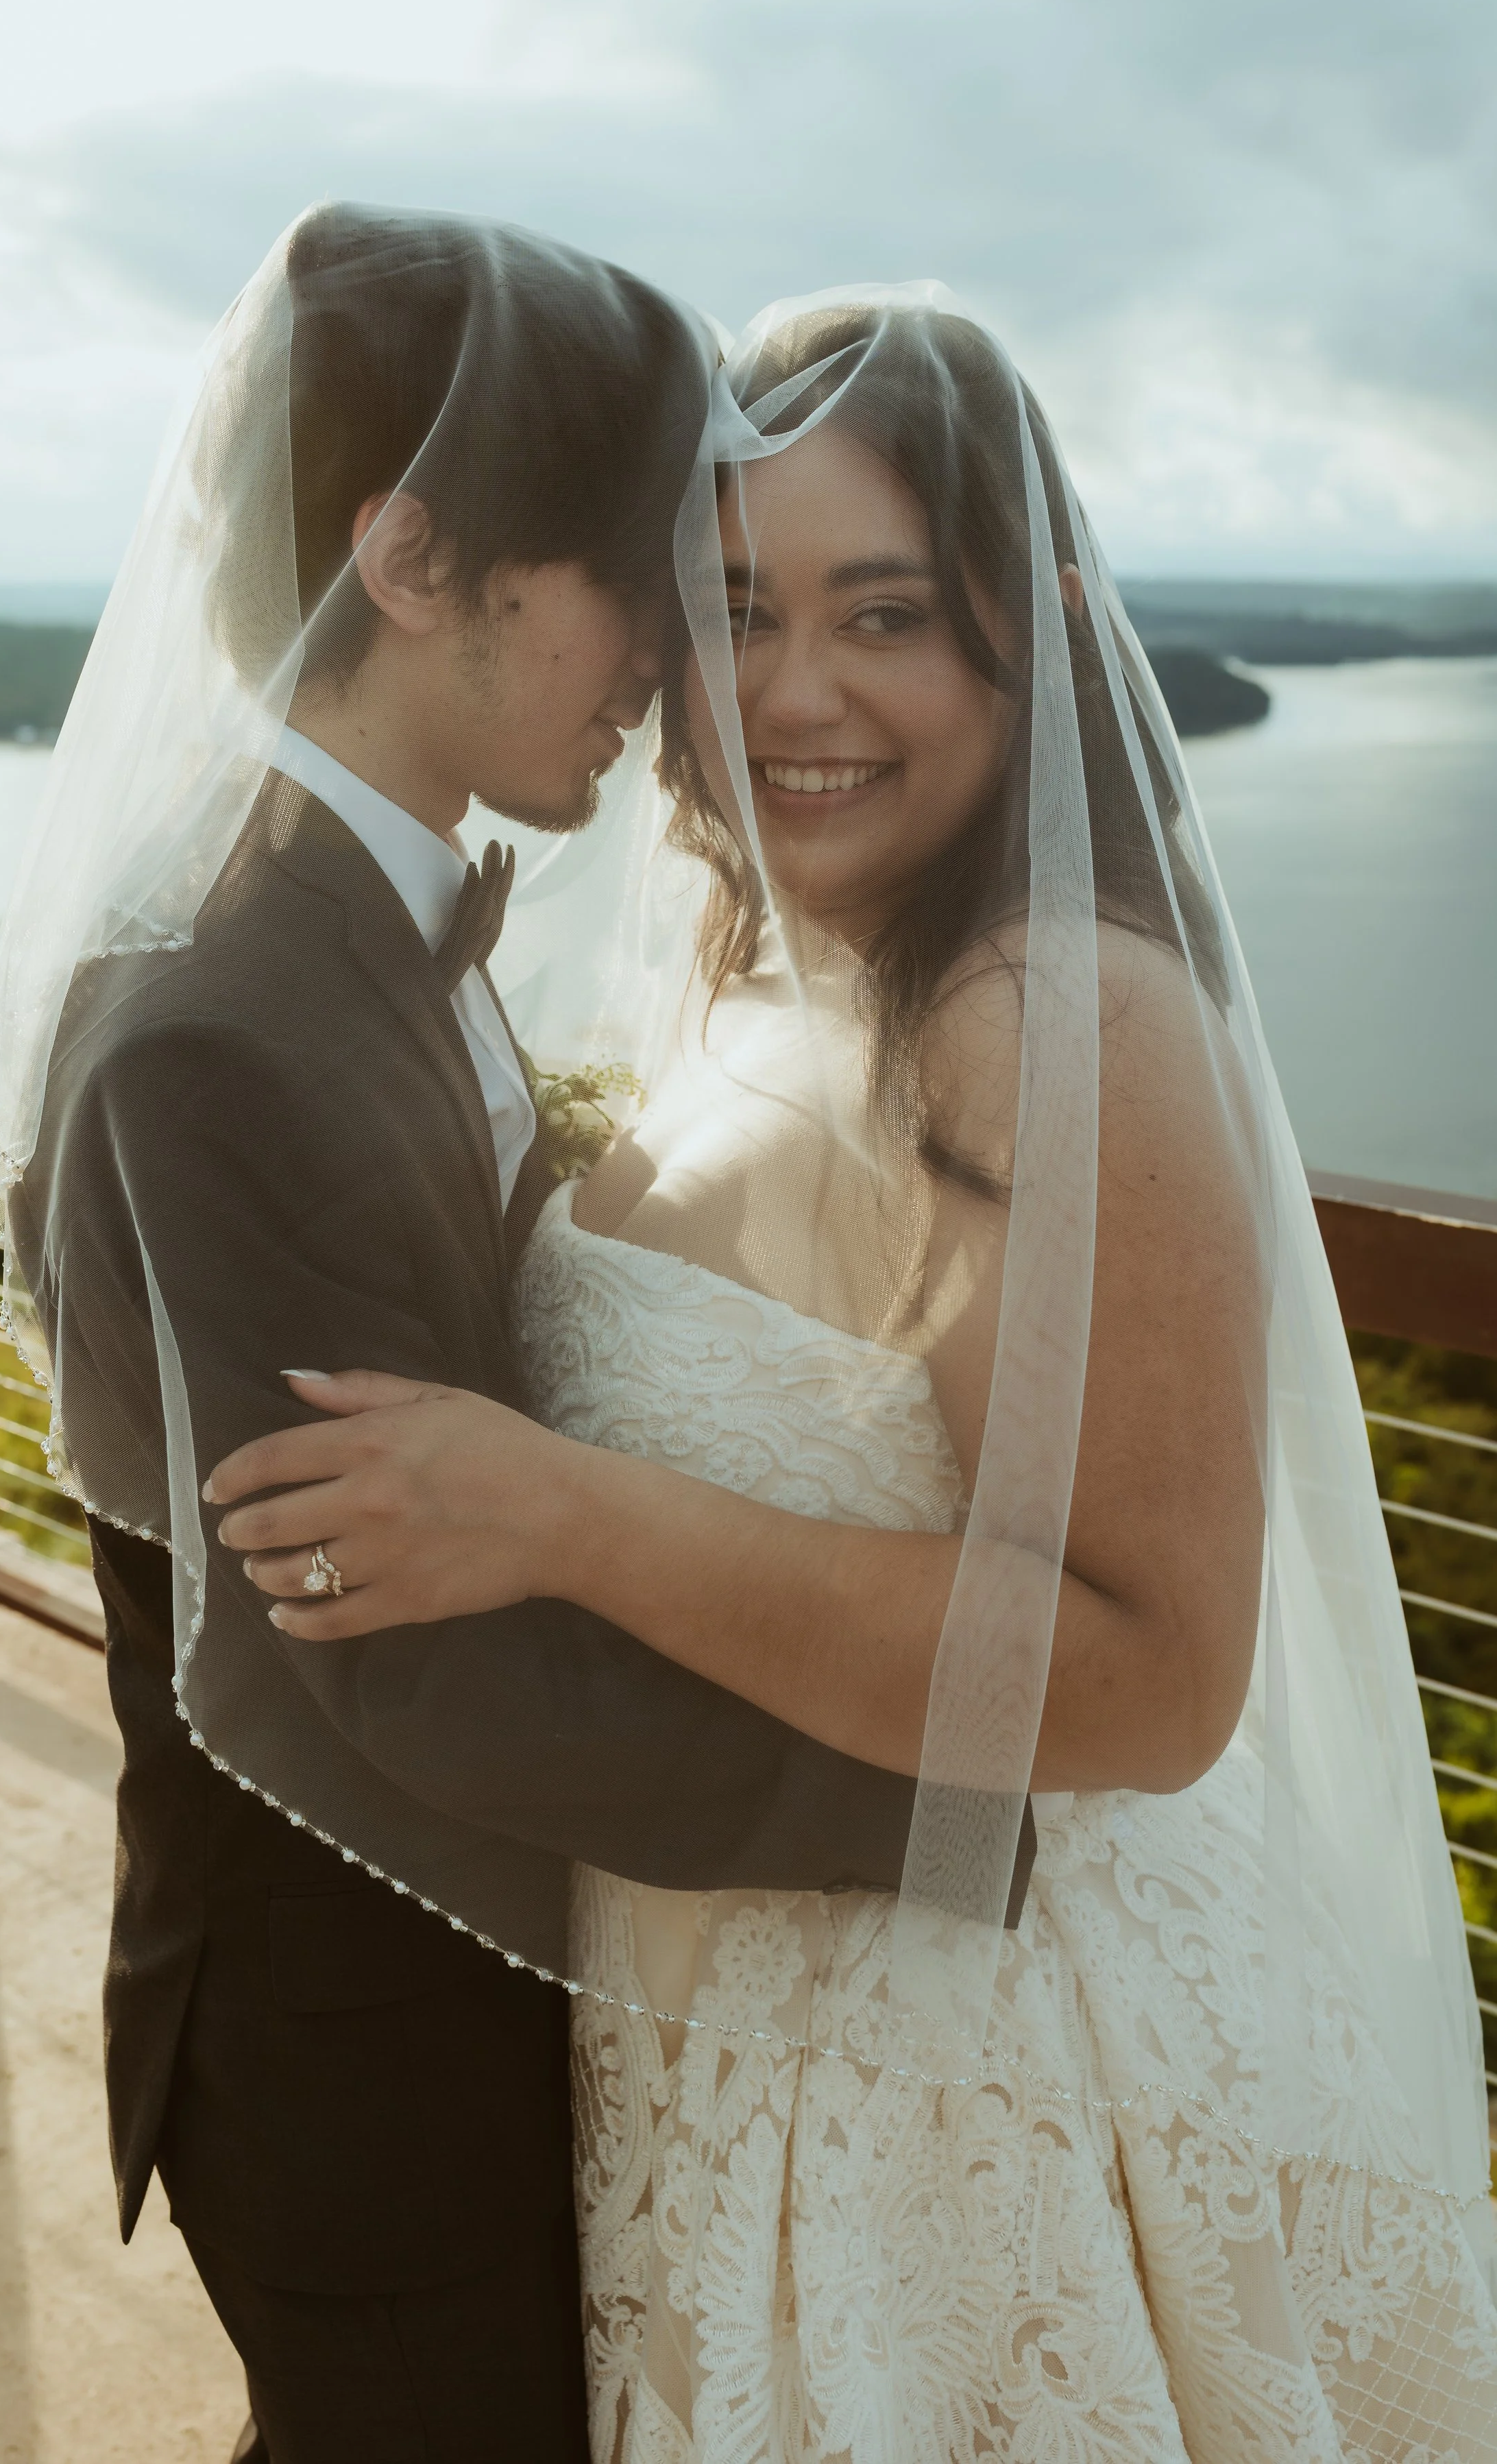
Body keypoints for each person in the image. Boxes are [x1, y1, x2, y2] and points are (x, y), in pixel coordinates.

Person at [208, 290, 1497, 2459]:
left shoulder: (1038, 1009)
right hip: (725, 2018)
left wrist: (548, 1504)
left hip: (974, 2075)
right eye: (728, 615)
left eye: (880, 614)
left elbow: (1152, 1677)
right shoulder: (770, 952)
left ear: (1034, 631)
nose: (792, 694)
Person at [0, 217, 985, 2464]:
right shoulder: (240, 1014)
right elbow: (406, 1659)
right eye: (634, 573)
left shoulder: (342, 899)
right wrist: (954, 1815)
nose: (681, 656)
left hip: (403, 1993)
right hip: (365, 2049)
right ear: (408, 554)